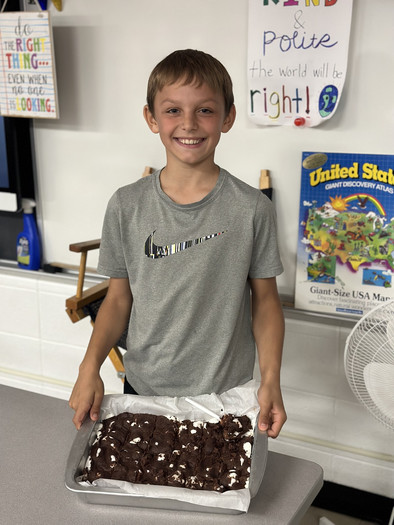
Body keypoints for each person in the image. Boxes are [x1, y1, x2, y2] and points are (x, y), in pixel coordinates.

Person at [69, 49, 287, 438]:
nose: (189, 123)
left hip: (225, 396)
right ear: (151, 118)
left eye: (205, 110)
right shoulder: (126, 204)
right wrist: (90, 367)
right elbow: (118, 300)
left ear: (228, 117)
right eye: (172, 111)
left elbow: (266, 301)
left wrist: (271, 378)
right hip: (144, 389)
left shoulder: (252, 208)